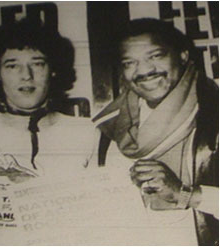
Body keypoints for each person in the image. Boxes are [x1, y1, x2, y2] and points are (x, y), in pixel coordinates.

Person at [0, 18, 95, 245]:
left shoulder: (89, 134)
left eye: (38, 63)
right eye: (12, 65)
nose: (26, 75)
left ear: (53, 70)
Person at [93, 18, 218, 245]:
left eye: (155, 56)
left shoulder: (214, 110)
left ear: (182, 55)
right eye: (130, 63)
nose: (145, 71)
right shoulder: (107, 127)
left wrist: (184, 194)